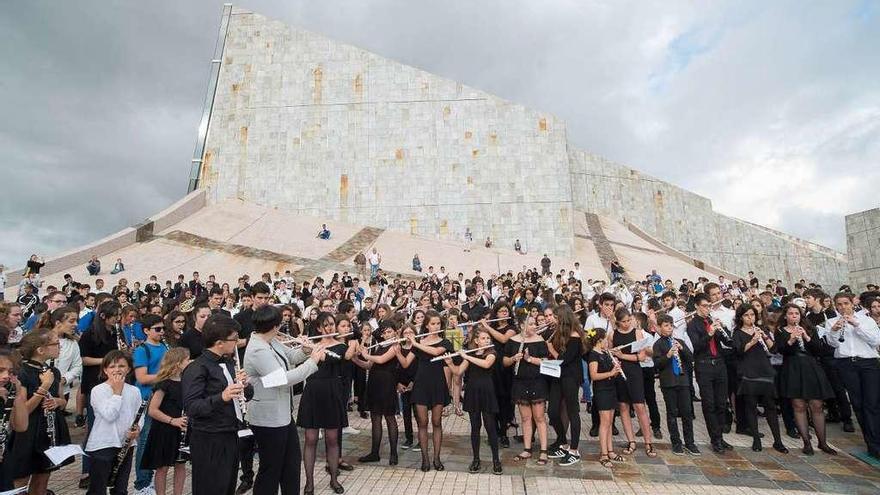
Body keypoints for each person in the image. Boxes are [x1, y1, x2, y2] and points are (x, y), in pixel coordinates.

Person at [244, 304, 323, 495]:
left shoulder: (270, 340)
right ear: (275, 326)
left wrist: (305, 350)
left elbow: (290, 356)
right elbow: (282, 379)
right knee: (271, 469)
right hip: (268, 419)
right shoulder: (258, 349)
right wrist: (313, 362)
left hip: (282, 416)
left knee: (291, 465)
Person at [182, 314, 254, 495]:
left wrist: (245, 387)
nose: (237, 343)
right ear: (219, 342)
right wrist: (221, 397)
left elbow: (245, 397)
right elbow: (192, 407)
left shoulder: (229, 362)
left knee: (226, 487)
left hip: (230, 434)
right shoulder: (197, 367)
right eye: (234, 339)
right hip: (209, 438)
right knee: (210, 488)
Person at [9, 330, 72, 494]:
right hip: (28, 431)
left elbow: (63, 402)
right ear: (40, 350)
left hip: (48, 431)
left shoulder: (54, 372)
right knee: (21, 480)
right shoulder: (23, 372)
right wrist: (43, 388)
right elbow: (24, 409)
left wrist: (57, 402)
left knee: (42, 478)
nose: (59, 347)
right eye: (55, 344)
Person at [297, 312, 351, 494]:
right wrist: (304, 346)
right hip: (313, 390)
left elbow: (334, 359)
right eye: (325, 325)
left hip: (332, 391)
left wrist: (312, 350)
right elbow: (301, 358)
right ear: (319, 328)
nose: (330, 328)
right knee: (310, 439)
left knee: (332, 438)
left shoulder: (340, 346)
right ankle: (309, 483)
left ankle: (334, 479)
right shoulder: (313, 346)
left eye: (332, 324)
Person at [825, 292, 880, 459]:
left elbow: (875, 341)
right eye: (839, 305)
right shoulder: (831, 321)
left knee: (872, 403)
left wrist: (856, 325)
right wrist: (834, 330)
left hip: (868, 363)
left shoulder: (866, 319)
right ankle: (872, 444)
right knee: (858, 404)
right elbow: (833, 344)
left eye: (845, 304)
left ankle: (876, 440)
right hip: (846, 364)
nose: (843, 307)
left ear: (852, 304)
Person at [775, 303, 836, 455]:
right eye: (790, 313)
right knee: (799, 405)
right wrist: (791, 339)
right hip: (792, 367)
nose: (794, 316)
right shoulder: (780, 331)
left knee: (816, 405)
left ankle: (823, 442)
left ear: (800, 315)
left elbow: (818, 349)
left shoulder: (809, 329)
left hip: (810, 366)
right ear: (785, 316)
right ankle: (806, 443)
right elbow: (781, 350)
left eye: (796, 313)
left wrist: (806, 336)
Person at [84, 350, 144, 495]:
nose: (117, 370)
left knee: (120, 489)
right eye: (112, 367)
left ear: (129, 369)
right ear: (105, 370)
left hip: (126, 443)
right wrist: (117, 392)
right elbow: (109, 415)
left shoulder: (134, 391)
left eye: (121, 366)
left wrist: (138, 429)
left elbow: (140, 414)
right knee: (98, 489)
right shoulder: (98, 390)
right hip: (103, 444)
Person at [731, 305, 787, 453]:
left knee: (770, 406)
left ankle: (778, 440)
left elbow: (774, 349)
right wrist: (752, 341)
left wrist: (764, 337)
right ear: (741, 317)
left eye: (752, 315)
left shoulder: (763, 330)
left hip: (764, 369)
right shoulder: (737, 333)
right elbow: (738, 352)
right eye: (747, 315)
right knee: (751, 405)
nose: (750, 318)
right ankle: (756, 439)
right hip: (748, 371)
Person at [402, 310, 452, 472]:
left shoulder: (445, 342)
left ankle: (436, 458)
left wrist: (415, 343)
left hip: (437, 384)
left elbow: (436, 352)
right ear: (426, 325)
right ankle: (425, 459)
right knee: (422, 423)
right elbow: (405, 363)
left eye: (438, 323)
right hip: (421, 385)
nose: (435, 326)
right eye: (432, 324)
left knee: (436, 422)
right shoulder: (419, 341)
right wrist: (397, 350)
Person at [448, 327, 502, 474]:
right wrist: (450, 362)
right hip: (473, 392)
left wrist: (466, 356)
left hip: (487, 391)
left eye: (488, 338)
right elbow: (458, 372)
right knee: (475, 428)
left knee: (490, 427)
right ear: (477, 341)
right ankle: (476, 459)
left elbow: (486, 364)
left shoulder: (491, 353)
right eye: (483, 338)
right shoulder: (470, 355)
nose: (486, 341)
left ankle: (496, 460)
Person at [686, 293, 732, 453]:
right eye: (705, 306)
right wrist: (709, 334)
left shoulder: (712, 321)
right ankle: (715, 439)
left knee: (721, 403)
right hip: (704, 366)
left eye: (709, 306)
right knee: (709, 404)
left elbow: (728, 342)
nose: (708, 309)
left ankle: (720, 436)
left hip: (719, 364)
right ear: (697, 306)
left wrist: (723, 329)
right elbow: (696, 347)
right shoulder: (692, 325)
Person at [141, 348, 190, 495]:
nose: (190, 362)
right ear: (178, 363)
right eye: (187, 360)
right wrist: (172, 420)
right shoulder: (164, 383)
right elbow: (152, 410)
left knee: (181, 464)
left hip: (181, 428)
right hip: (164, 429)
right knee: (162, 467)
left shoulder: (187, 381)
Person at [609, 308, 656, 458]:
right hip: (620, 372)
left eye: (629, 320)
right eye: (624, 322)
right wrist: (614, 355)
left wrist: (622, 355)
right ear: (617, 322)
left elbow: (641, 357)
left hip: (634, 372)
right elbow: (610, 354)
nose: (627, 324)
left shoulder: (637, 333)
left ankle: (648, 442)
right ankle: (631, 441)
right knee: (623, 406)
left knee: (640, 406)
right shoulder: (612, 334)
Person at [504, 316, 549, 466]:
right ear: (521, 325)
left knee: (539, 417)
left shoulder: (540, 340)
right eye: (530, 324)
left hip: (537, 381)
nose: (533, 326)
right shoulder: (513, 341)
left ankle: (543, 450)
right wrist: (513, 359)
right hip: (520, 382)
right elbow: (504, 361)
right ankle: (527, 448)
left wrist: (530, 359)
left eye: (534, 324)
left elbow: (546, 362)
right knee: (525, 418)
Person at [652, 314, 699, 456]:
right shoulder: (658, 344)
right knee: (672, 413)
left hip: (683, 381)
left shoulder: (679, 341)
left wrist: (682, 349)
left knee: (687, 413)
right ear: (660, 328)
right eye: (666, 326)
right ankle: (676, 442)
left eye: (671, 325)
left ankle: (690, 442)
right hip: (669, 383)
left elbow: (691, 358)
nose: (669, 328)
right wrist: (668, 355)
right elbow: (657, 365)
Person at [131, 314, 169, 493]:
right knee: (145, 441)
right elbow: (142, 378)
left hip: (163, 397)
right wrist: (167, 374)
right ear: (146, 331)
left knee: (156, 441)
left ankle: (151, 478)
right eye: (158, 329)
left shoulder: (164, 346)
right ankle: (142, 483)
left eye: (163, 328)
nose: (162, 332)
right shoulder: (141, 350)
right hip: (147, 399)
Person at [355, 321, 400, 465]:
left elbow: (381, 360)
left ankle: (394, 453)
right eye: (385, 333)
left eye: (389, 332)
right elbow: (369, 365)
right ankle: (374, 452)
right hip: (374, 383)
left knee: (389, 418)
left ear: (395, 332)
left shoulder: (396, 346)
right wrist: (355, 359)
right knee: (375, 418)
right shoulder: (379, 346)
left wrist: (366, 355)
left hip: (387, 383)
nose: (387, 335)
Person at [547, 306, 585, 466]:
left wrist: (551, 349)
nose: (551, 319)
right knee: (553, 410)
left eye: (554, 317)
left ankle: (574, 449)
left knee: (572, 411)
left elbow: (565, 359)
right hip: (558, 375)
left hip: (570, 376)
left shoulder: (575, 335)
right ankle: (562, 441)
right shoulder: (558, 332)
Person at [585, 327, 625, 468]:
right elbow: (594, 376)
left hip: (611, 389)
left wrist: (616, 368)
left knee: (610, 422)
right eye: (606, 340)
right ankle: (603, 454)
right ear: (599, 340)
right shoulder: (593, 355)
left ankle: (610, 451)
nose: (608, 342)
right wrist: (611, 373)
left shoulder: (605, 353)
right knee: (604, 422)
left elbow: (610, 371)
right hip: (601, 391)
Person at [0, 348, 30, 491]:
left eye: (10, 372)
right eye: (0, 370)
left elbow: (21, 426)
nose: (6, 376)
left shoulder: (7, 392)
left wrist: (17, 396)